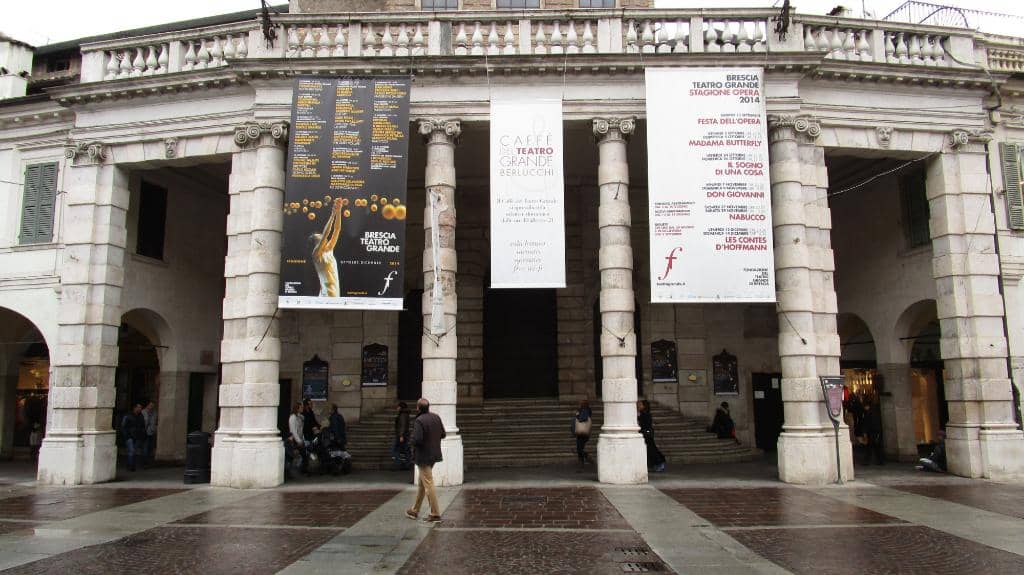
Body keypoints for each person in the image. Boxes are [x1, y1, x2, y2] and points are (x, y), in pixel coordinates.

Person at [406, 398, 446, 523]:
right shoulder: (436, 417)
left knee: (428, 484)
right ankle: (415, 510)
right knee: (422, 483)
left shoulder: (419, 420)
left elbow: (417, 439)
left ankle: (435, 514)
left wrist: (410, 441)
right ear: (428, 407)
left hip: (423, 456)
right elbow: (443, 434)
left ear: (418, 408)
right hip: (434, 454)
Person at [310, 198, 343, 297]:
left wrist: (338, 212)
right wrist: (332, 215)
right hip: (326, 296)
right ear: (316, 244)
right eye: (319, 238)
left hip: (334, 295)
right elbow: (326, 234)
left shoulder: (328, 250)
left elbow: (337, 229)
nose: (322, 237)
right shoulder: (316, 255)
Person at [638, 400, 666, 472]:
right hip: (646, 433)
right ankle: (657, 463)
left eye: (640, 405)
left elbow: (645, 424)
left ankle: (659, 463)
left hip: (647, 434)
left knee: (651, 449)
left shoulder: (645, 414)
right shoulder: (643, 413)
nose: (639, 406)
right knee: (651, 449)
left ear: (644, 406)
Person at [121, 403, 147, 472]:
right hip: (129, 437)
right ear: (135, 408)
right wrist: (127, 436)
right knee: (131, 451)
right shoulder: (128, 416)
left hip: (137, 436)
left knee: (133, 451)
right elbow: (124, 427)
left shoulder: (141, 416)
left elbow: (143, 426)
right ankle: (130, 466)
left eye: (141, 407)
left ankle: (131, 464)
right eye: (139, 407)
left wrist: (142, 434)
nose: (140, 409)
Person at [287, 402, 308, 475]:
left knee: (303, 454)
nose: (302, 408)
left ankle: (302, 469)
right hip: (295, 440)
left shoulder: (299, 417)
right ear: (297, 408)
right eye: (301, 407)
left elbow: (300, 430)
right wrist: (299, 441)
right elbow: (293, 431)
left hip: (300, 438)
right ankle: (295, 470)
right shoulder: (292, 418)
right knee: (296, 455)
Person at [862, 401, 885, 465]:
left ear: (867, 406)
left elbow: (867, 423)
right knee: (876, 447)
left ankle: (868, 461)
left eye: (865, 407)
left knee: (871, 447)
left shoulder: (869, 413)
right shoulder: (874, 412)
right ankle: (880, 461)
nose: (864, 408)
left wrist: (865, 432)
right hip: (876, 432)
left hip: (872, 432)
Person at [572, 400, 592, 467]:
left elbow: (582, 419)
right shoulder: (584, 410)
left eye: (580, 404)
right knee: (580, 448)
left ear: (583, 405)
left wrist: (577, 415)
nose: (579, 405)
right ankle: (581, 463)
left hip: (582, 433)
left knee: (579, 449)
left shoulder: (584, 410)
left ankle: (587, 457)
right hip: (582, 433)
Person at [392, 401, 411, 470]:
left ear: (400, 407)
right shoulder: (404, 414)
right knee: (406, 450)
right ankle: (406, 465)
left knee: (394, 450)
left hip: (401, 435)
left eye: (398, 406)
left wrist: (401, 435)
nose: (397, 408)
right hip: (403, 435)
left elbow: (403, 426)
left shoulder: (403, 415)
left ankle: (399, 463)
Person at [142, 400, 157, 467]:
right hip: (145, 432)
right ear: (147, 405)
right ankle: (145, 462)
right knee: (145, 447)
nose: (151, 407)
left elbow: (155, 422)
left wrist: (154, 429)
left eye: (153, 405)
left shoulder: (154, 413)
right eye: (150, 405)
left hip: (152, 432)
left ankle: (148, 461)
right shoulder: (143, 412)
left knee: (150, 448)